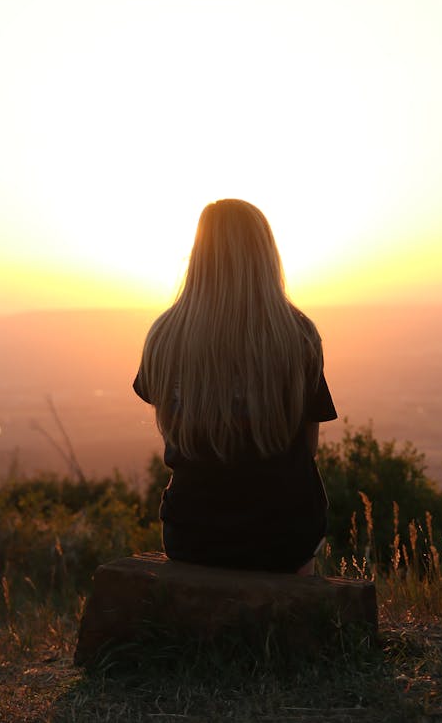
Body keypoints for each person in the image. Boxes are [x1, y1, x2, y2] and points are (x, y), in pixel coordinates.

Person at [133, 199, 337, 575]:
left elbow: (173, 428)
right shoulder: (299, 336)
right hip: (283, 536)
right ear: (266, 256)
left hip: (191, 535)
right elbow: (308, 450)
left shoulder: (164, 336)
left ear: (198, 255)